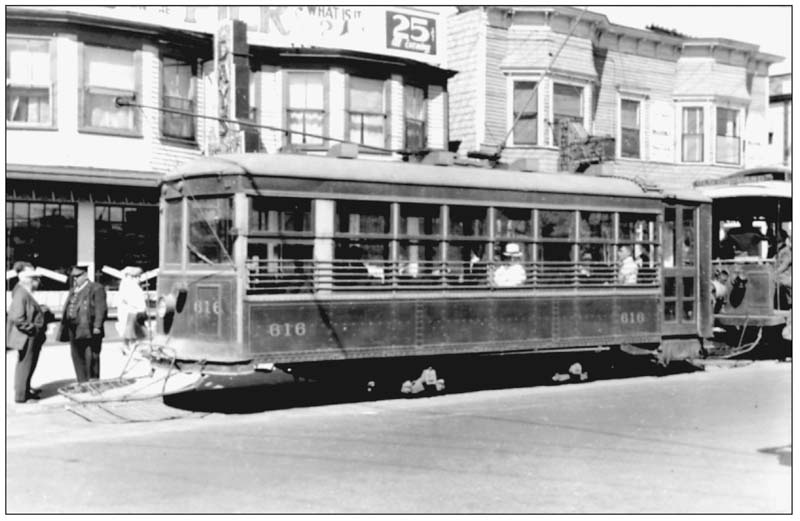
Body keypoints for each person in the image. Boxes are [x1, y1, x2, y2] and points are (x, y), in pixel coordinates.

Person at [6, 266, 52, 403]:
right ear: (29, 280)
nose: (38, 283)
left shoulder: (24, 292)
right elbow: (17, 317)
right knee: (25, 365)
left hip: (28, 335)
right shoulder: (21, 294)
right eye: (36, 280)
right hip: (27, 336)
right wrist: (33, 329)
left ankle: (25, 390)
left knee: (28, 364)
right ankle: (21, 396)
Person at [58, 265, 108, 383]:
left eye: (78, 276)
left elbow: (101, 309)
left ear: (85, 275)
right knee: (77, 355)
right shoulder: (73, 290)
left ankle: (93, 382)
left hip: (89, 328)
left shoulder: (96, 288)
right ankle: (82, 381)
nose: (75, 279)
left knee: (91, 356)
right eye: (73, 277)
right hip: (73, 328)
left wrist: (97, 326)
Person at [115, 266, 147, 354]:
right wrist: (139, 307)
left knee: (132, 331)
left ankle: (128, 346)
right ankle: (129, 347)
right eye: (137, 277)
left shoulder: (132, 285)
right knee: (130, 331)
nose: (138, 279)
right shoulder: (127, 285)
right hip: (130, 311)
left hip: (133, 311)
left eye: (139, 277)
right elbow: (130, 300)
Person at [775, 230, 791, 309]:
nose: (775, 236)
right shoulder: (776, 249)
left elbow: (784, 265)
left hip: (784, 275)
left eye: (777, 235)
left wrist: (774, 273)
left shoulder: (786, 250)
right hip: (778, 274)